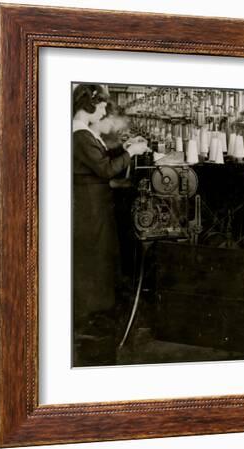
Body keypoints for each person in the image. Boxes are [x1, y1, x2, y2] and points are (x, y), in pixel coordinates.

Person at [72, 84, 148, 365]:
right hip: (89, 207)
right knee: (94, 258)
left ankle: (95, 317)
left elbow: (101, 161)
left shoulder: (84, 134)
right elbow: (104, 170)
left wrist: (125, 148)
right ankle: (91, 321)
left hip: (95, 202)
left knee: (98, 256)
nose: (104, 111)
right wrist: (133, 152)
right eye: (102, 106)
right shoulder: (79, 135)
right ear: (89, 106)